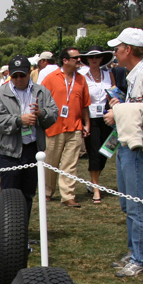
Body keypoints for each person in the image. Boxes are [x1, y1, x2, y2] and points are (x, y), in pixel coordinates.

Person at [104, 27, 143, 278]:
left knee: (137, 204)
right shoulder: (133, 75)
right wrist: (121, 107)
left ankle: (141, 257)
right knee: (128, 203)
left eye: (117, 48)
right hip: (127, 144)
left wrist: (120, 112)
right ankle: (134, 251)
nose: (115, 53)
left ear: (127, 50)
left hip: (139, 147)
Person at [0, 55, 58, 217]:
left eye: (22, 75)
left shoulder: (41, 92)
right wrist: (20, 120)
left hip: (32, 150)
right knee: (8, 194)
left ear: (29, 73)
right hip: (9, 151)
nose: (18, 79)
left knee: (28, 193)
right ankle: (5, 229)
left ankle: (22, 231)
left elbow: (53, 114)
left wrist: (41, 114)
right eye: (15, 76)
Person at [42, 47, 91, 208]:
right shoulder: (51, 78)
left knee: (70, 164)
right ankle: (47, 192)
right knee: (50, 162)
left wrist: (86, 123)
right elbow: (41, 101)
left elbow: (85, 104)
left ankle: (68, 195)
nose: (79, 60)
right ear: (65, 60)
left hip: (75, 126)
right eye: (75, 58)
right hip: (54, 127)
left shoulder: (81, 79)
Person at [79, 47, 116, 204]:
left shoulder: (109, 75)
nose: (94, 60)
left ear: (102, 59)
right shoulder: (82, 77)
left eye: (97, 57)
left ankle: (94, 181)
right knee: (94, 152)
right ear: (87, 60)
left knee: (105, 152)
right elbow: (81, 100)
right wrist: (84, 122)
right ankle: (96, 188)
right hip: (91, 117)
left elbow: (115, 94)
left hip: (107, 117)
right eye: (91, 58)